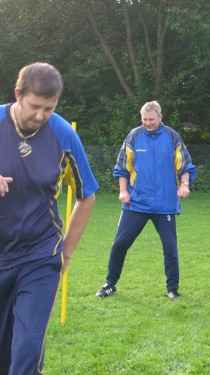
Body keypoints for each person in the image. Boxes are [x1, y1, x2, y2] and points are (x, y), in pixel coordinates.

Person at [0, 62, 99, 374]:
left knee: (27, 348)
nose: (40, 116)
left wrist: (65, 253)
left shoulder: (63, 134)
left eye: (49, 108)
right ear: (18, 95)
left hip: (41, 254)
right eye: (34, 107)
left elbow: (87, 196)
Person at [96, 101, 196, 300]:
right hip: (137, 203)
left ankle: (172, 288)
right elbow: (123, 168)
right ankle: (110, 284)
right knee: (120, 244)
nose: (148, 123)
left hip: (165, 204)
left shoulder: (172, 137)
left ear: (160, 118)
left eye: (151, 119)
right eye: (144, 119)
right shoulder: (134, 136)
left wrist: (184, 185)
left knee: (170, 247)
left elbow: (185, 165)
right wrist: (123, 191)